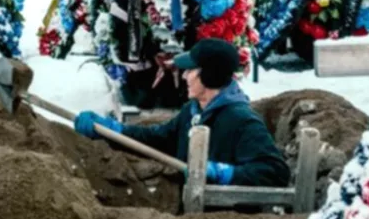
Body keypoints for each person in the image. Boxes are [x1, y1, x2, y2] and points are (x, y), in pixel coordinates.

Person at [74, 39, 291, 189]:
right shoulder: (193, 111)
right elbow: (159, 138)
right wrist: (112, 130)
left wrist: (224, 173)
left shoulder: (241, 120)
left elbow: (276, 172)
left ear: (210, 76)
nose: (185, 75)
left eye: (191, 70)